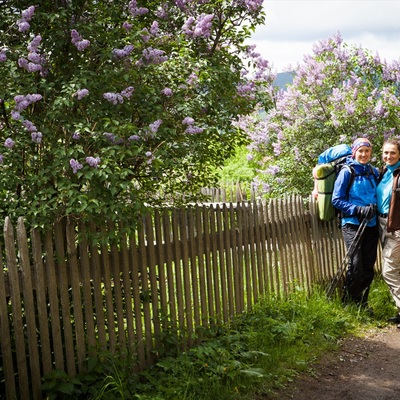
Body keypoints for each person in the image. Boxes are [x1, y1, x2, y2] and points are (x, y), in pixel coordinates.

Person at [332, 138, 379, 307]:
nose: (364, 154)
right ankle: (348, 302)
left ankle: (362, 303)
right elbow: (336, 199)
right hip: (352, 223)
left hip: (371, 224)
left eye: (367, 151)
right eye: (361, 151)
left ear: (370, 152)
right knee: (356, 265)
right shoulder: (347, 172)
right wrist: (357, 210)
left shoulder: (373, 172)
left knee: (368, 266)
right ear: (354, 152)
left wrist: (375, 207)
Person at [376, 139, 400, 327]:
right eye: (386, 153)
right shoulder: (384, 172)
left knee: (389, 271)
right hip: (382, 223)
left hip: (396, 228)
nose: (388, 156)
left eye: (392, 153)